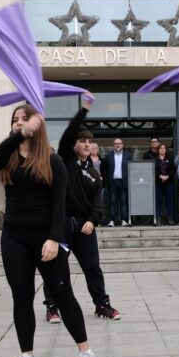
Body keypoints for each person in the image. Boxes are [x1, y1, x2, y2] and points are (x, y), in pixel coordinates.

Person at [0, 103, 98, 357]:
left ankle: (85, 352)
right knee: (21, 296)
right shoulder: (9, 157)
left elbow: (59, 203)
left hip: (46, 238)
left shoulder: (52, 161)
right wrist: (20, 133)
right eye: (15, 120)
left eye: (24, 119)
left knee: (64, 296)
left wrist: (54, 239)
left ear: (37, 124)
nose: (18, 123)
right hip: (14, 237)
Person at [42, 96, 121, 323]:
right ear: (74, 145)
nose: (86, 144)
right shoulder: (65, 159)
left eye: (89, 141)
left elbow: (99, 203)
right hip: (62, 224)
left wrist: (93, 221)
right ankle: (52, 307)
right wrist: (83, 111)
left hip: (85, 227)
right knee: (55, 268)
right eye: (82, 140)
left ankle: (101, 305)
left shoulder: (95, 174)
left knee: (92, 268)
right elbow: (69, 134)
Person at [102, 138, 131, 227]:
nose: (117, 145)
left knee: (123, 202)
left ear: (122, 145)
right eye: (116, 143)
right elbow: (104, 170)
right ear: (113, 145)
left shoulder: (128, 155)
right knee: (112, 202)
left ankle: (123, 220)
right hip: (112, 182)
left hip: (124, 181)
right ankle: (111, 220)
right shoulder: (108, 156)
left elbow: (131, 169)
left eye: (119, 143)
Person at [155, 144, 176, 225]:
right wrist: (160, 176)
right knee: (158, 201)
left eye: (164, 148)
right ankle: (158, 218)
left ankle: (170, 218)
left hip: (169, 183)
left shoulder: (170, 158)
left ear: (166, 150)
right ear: (158, 150)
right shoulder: (155, 159)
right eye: (161, 148)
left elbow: (173, 169)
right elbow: (153, 170)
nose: (162, 149)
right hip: (158, 183)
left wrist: (167, 176)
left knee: (169, 201)